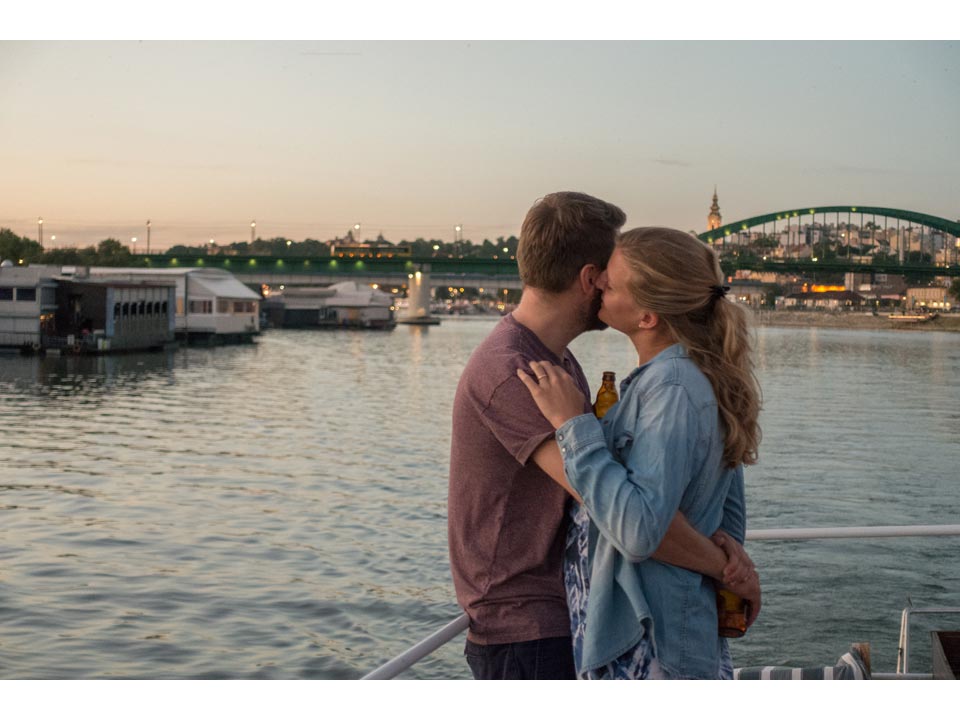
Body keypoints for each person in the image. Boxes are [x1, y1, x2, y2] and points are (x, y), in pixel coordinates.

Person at [448, 196, 758, 680]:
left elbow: (630, 510)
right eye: (609, 277)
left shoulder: (568, 367)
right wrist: (728, 568)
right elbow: (618, 511)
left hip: (569, 618)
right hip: (527, 626)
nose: (609, 286)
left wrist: (730, 565)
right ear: (590, 279)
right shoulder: (517, 373)